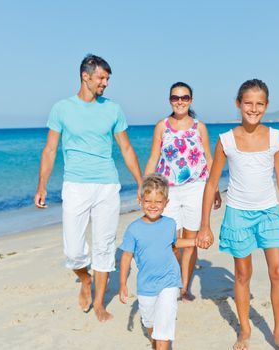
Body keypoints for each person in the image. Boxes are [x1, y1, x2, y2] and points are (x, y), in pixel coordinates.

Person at [34, 54, 142, 322]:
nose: (105, 83)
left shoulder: (113, 109)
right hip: (75, 185)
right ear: (86, 76)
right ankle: (85, 279)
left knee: (104, 246)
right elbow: (50, 150)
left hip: (107, 184)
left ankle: (99, 303)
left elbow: (126, 148)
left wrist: (141, 182)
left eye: (107, 79)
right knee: (73, 250)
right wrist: (42, 186)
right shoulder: (61, 108)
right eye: (101, 78)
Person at [197, 79, 279, 350]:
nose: (253, 109)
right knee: (242, 274)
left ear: (266, 106)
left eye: (259, 104)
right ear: (238, 104)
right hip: (238, 214)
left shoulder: (276, 137)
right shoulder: (226, 140)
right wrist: (204, 225)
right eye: (248, 103)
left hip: (269, 213)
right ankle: (244, 330)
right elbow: (211, 183)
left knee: (278, 272)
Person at [144, 82, 221, 301]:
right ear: (170, 100)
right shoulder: (162, 126)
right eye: (176, 98)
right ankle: (171, 281)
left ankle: (183, 288)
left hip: (196, 188)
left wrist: (214, 189)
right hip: (167, 190)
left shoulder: (199, 127)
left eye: (184, 97)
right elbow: (153, 158)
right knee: (169, 240)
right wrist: (145, 187)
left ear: (191, 100)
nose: (180, 102)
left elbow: (209, 158)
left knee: (191, 239)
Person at [118, 173, 196, 350]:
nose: (153, 206)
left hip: (169, 281)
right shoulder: (133, 229)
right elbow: (126, 257)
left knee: (163, 328)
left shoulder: (169, 223)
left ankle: (161, 343)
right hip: (146, 285)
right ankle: (155, 338)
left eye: (158, 202)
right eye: (148, 201)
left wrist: (195, 241)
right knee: (150, 323)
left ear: (166, 203)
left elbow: (175, 243)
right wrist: (122, 283)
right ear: (141, 201)